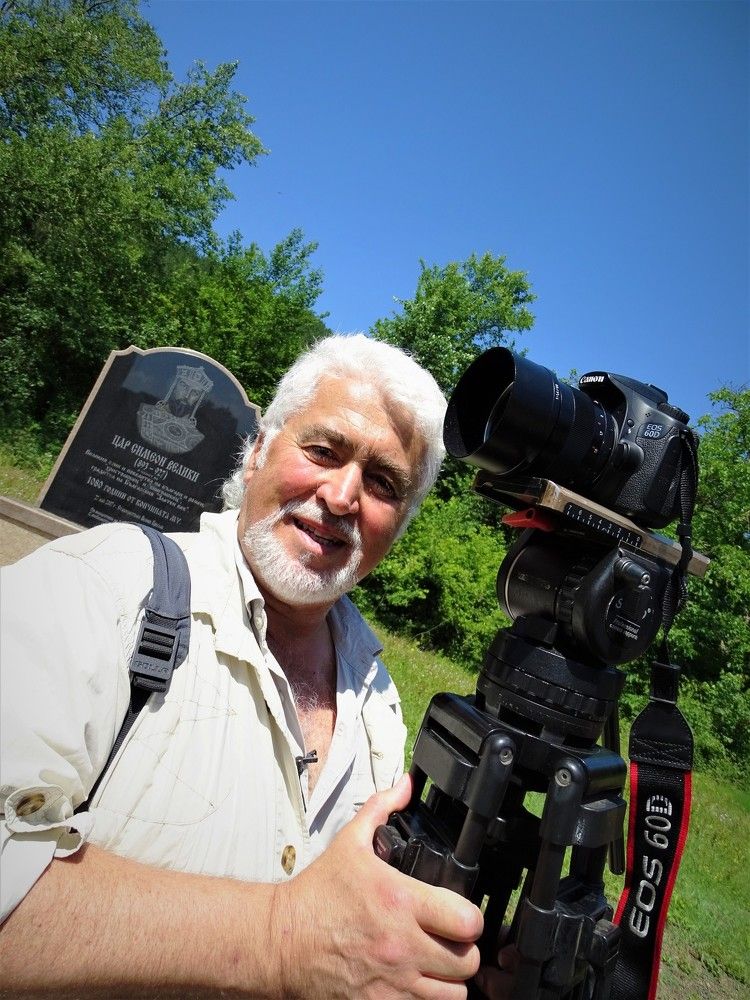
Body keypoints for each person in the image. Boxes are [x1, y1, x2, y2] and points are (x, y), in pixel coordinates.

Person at [0, 334, 510, 998]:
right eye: (323, 450)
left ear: (402, 523)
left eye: (384, 483)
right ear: (259, 448)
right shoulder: (100, 585)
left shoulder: (378, 696)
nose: (343, 495)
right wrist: (283, 937)